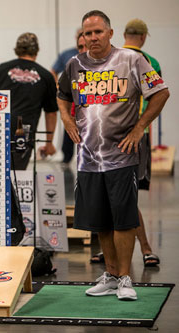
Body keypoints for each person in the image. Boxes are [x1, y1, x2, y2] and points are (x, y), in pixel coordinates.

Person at [57, 10, 169, 301]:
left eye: (97, 32)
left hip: (123, 155)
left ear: (110, 33)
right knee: (101, 222)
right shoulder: (74, 64)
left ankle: (125, 278)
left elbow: (161, 93)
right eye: (87, 33)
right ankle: (111, 275)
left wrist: (140, 128)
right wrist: (68, 122)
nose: (92, 37)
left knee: (124, 220)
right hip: (88, 158)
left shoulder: (131, 60)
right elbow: (62, 95)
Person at [90, 18, 162, 267]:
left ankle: (133, 256)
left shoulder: (129, 60)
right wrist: (140, 128)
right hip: (132, 139)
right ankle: (137, 252)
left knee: (122, 200)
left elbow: (159, 93)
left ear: (116, 34)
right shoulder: (150, 61)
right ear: (143, 37)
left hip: (124, 141)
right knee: (119, 199)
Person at [0, 33, 58, 170]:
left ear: (17, 49)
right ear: (37, 51)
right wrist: (49, 143)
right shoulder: (45, 76)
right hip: (24, 132)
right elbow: (51, 113)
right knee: (18, 178)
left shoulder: (1, 70)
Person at [50, 29, 83, 167]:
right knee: (69, 124)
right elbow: (53, 70)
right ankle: (66, 156)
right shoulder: (68, 55)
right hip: (72, 97)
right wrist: (58, 88)